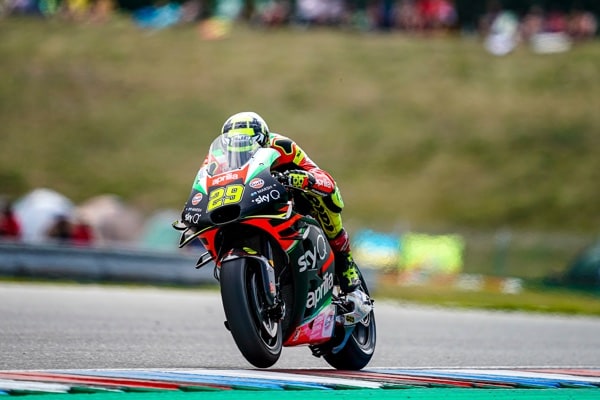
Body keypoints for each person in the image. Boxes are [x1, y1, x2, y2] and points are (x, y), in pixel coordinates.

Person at [212, 111, 362, 294]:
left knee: (329, 198)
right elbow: (205, 183)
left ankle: (344, 259)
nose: (241, 152)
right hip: (249, 203)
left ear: (264, 140)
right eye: (235, 146)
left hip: (290, 198)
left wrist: (304, 179)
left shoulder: (283, 146)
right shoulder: (218, 158)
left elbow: (323, 179)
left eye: (247, 145)